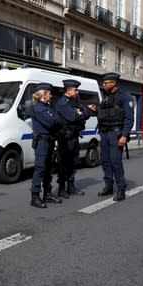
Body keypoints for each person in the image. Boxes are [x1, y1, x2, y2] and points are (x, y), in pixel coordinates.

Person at [97, 72, 134, 201]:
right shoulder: (106, 97)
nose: (104, 85)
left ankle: (121, 188)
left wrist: (124, 135)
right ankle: (108, 186)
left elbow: (129, 118)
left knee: (115, 162)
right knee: (105, 161)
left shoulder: (125, 97)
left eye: (106, 83)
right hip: (104, 133)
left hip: (116, 134)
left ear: (113, 83)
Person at [55, 79, 96, 197]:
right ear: (68, 90)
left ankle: (71, 187)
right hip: (65, 138)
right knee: (64, 164)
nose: (77, 92)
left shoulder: (73, 102)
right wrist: (84, 113)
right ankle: (62, 189)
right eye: (75, 90)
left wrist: (83, 112)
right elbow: (73, 117)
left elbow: (81, 113)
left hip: (74, 136)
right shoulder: (63, 103)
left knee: (73, 163)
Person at [30, 83, 63, 208]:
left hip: (49, 140)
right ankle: (35, 197)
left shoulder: (48, 107)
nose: (51, 95)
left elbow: (58, 121)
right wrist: (56, 120)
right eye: (49, 93)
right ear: (43, 94)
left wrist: (56, 120)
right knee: (40, 169)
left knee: (48, 169)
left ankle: (48, 193)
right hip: (42, 141)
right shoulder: (38, 108)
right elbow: (50, 123)